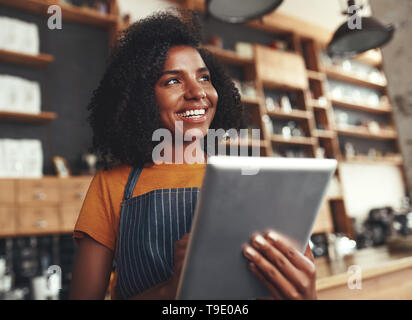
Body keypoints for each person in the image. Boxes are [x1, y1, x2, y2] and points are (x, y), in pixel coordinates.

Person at [69, 10, 317, 300]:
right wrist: (171, 290)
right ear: (139, 98)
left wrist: (305, 294)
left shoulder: (256, 179)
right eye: (173, 80)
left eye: (204, 77)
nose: (197, 92)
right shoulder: (111, 186)